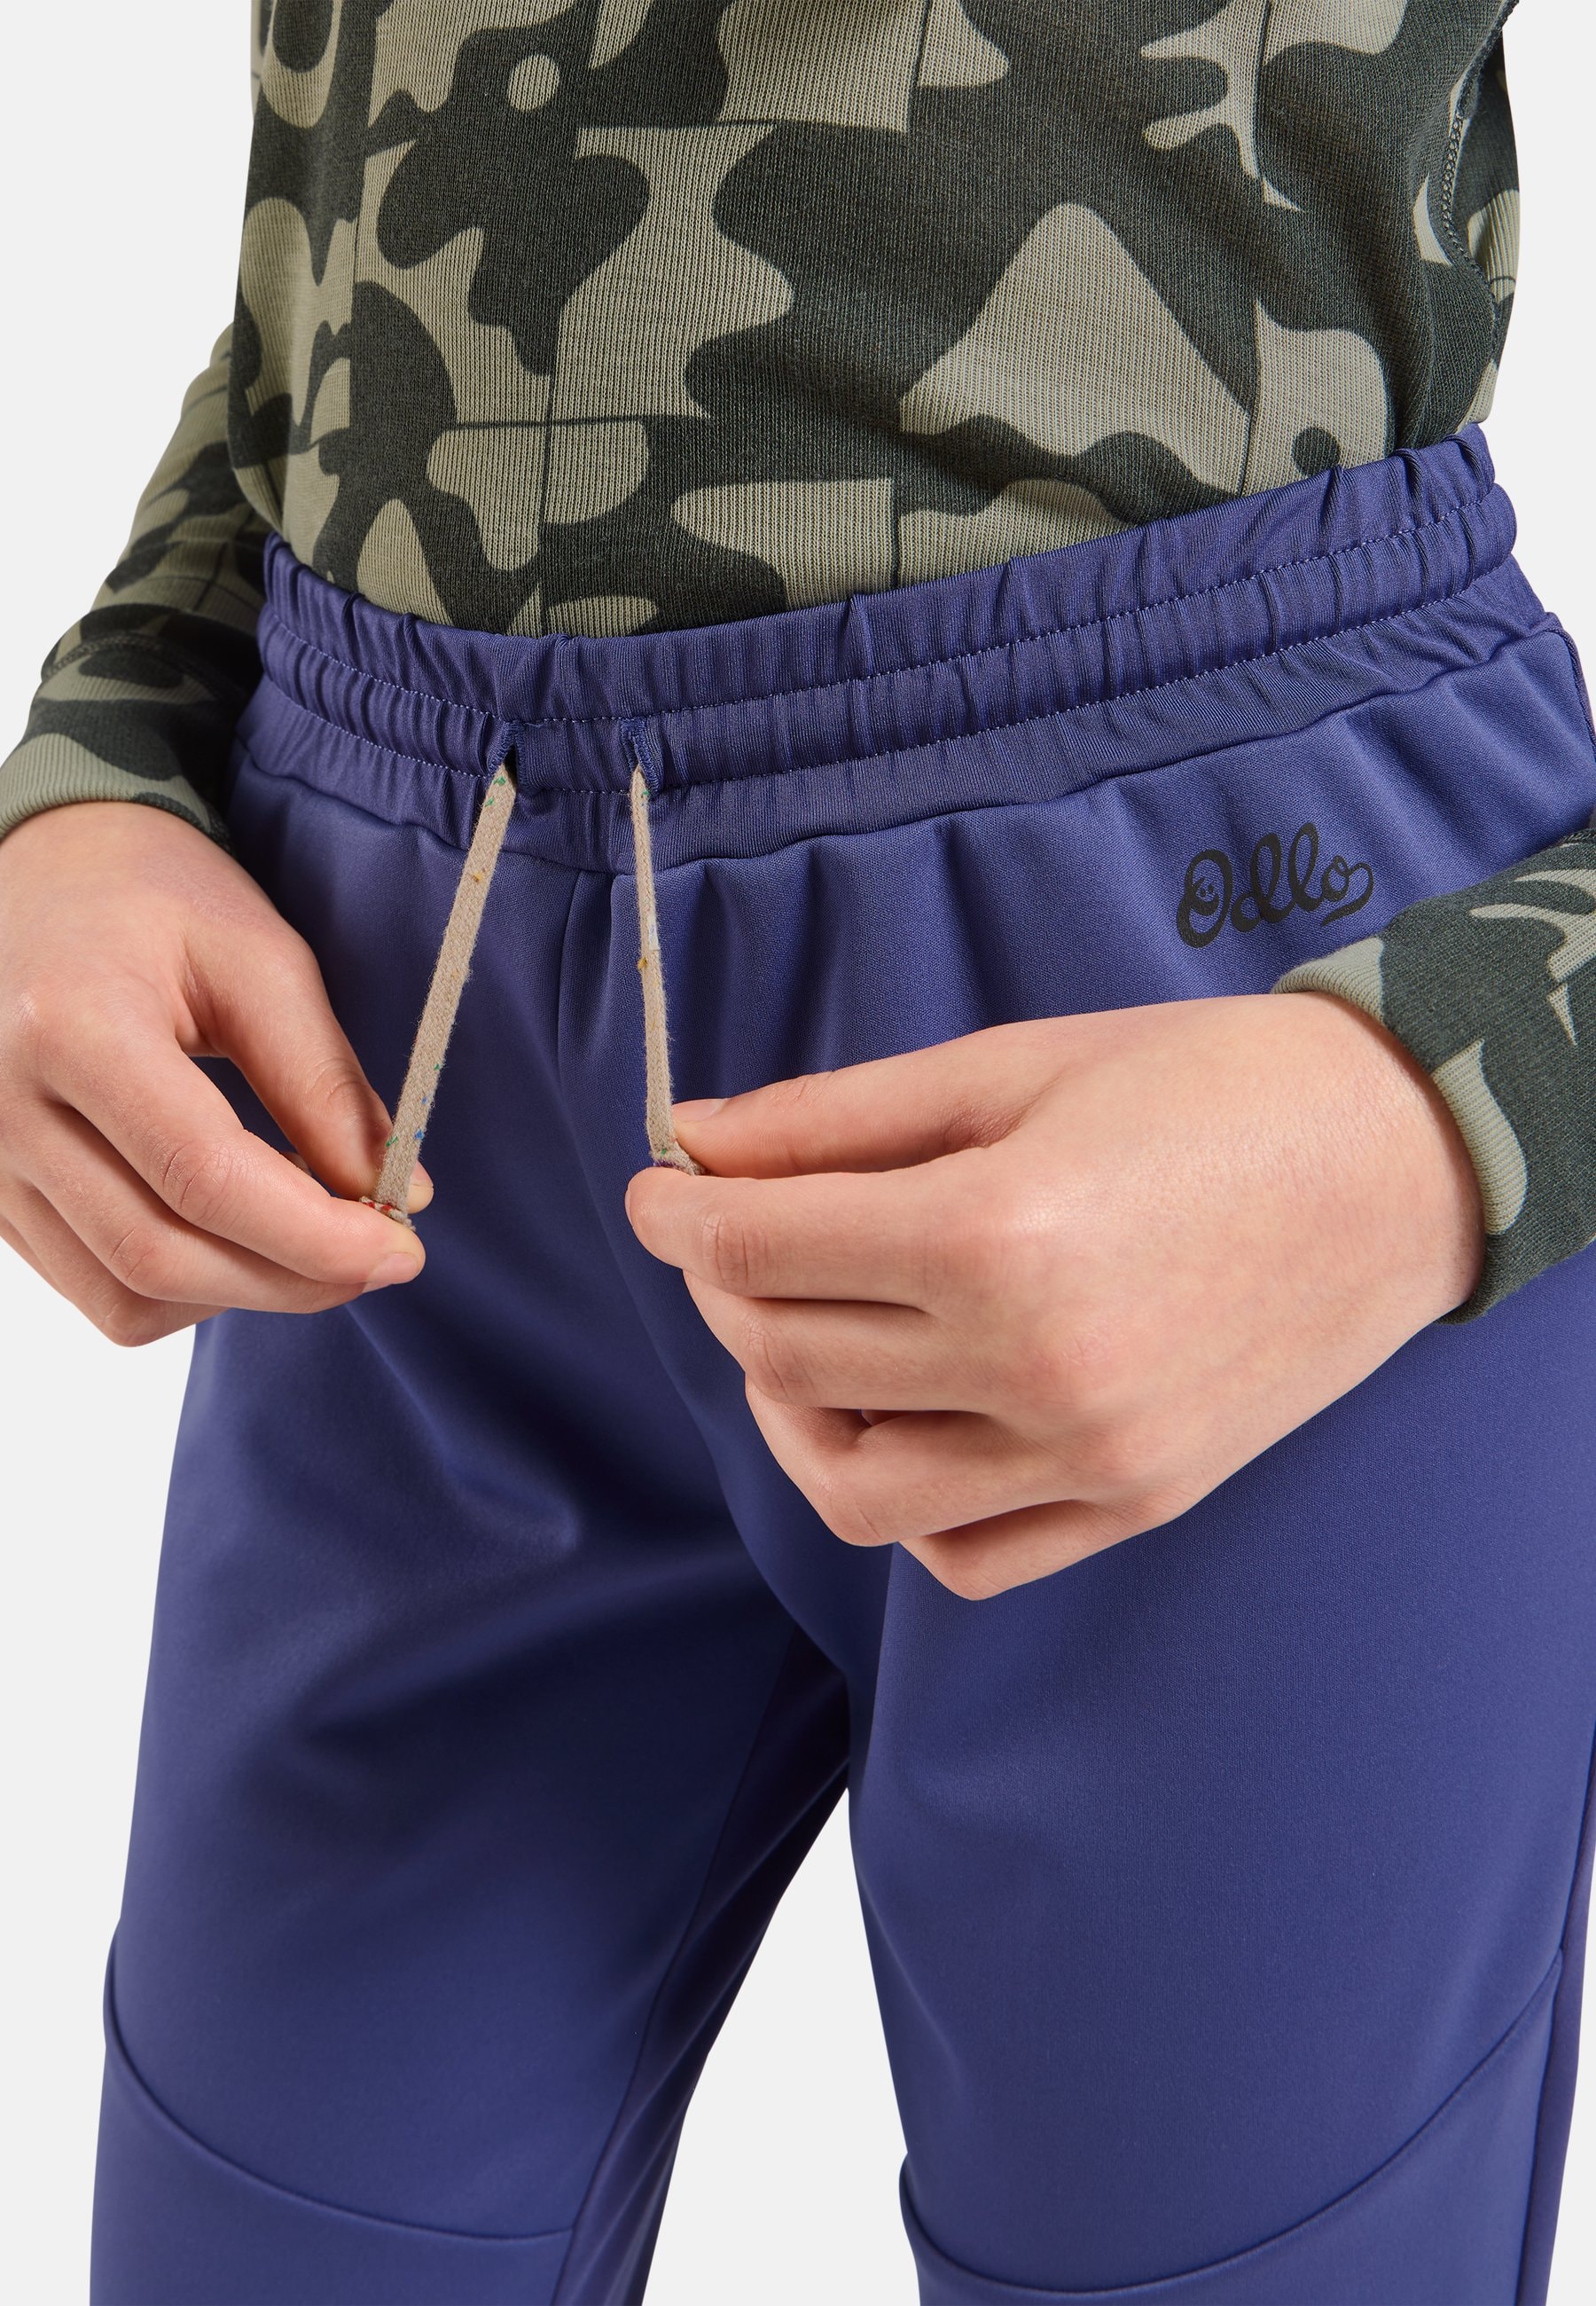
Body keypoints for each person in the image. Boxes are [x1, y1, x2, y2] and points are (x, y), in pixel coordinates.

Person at [2, 4, 1592, 2300]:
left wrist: (1449, 1091)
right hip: (393, 1056)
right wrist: (115, 747)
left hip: (1222, 1033)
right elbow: (366, 189)